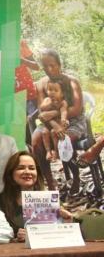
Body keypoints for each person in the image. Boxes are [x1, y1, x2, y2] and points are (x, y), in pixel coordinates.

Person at [31, 49, 86, 191]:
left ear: (59, 64)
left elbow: (76, 109)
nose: (49, 69)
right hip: (49, 123)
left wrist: (55, 113)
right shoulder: (42, 84)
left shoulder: (72, 81)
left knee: (64, 140)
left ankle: (76, 178)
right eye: (45, 66)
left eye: (52, 65)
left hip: (73, 121)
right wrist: (55, 124)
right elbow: (42, 112)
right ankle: (50, 182)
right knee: (36, 141)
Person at [0, 151, 72, 242]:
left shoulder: (50, 200)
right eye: (21, 168)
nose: (27, 172)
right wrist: (14, 240)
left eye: (32, 168)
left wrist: (67, 223)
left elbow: (69, 238)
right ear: (10, 173)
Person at [37, 78, 70, 162]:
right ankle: (48, 151)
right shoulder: (47, 100)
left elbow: (64, 111)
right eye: (50, 89)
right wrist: (50, 103)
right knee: (44, 132)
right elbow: (42, 108)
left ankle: (56, 151)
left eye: (55, 90)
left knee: (53, 132)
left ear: (62, 93)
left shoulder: (62, 102)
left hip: (58, 123)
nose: (52, 92)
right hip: (47, 124)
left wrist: (63, 119)